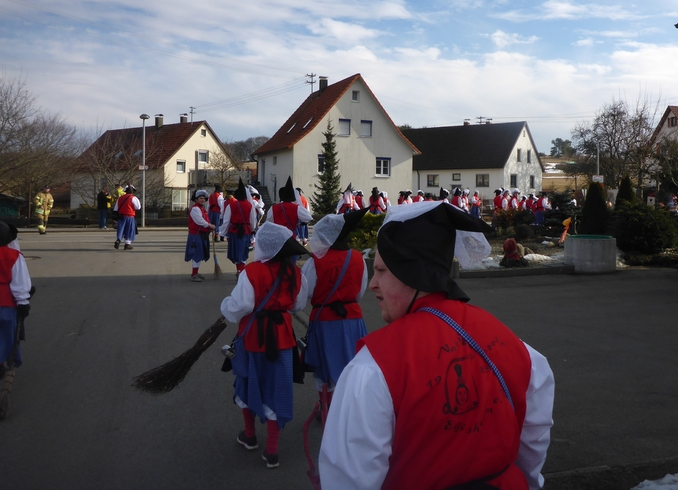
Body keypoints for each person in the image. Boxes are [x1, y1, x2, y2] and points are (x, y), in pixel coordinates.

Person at [319, 202, 554, 489]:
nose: (373, 284)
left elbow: (348, 478)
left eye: (381, 270)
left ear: (411, 273)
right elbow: (533, 443)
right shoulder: (520, 349)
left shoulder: (374, 367)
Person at [220, 222, 309, 468]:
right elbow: (297, 306)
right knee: (277, 388)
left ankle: (250, 435)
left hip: (253, 336)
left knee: (247, 381)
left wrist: (225, 305)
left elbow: (241, 306)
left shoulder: (251, 272)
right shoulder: (296, 273)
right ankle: (272, 450)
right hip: (282, 337)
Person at [301, 210, 369, 413]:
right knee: (353, 364)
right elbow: (359, 292)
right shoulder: (358, 258)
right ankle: (350, 409)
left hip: (325, 320)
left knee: (324, 368)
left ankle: (327, 408)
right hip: (353, 319)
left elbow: (307, 291)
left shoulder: (314, 261)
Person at [0, 222, 32, 375]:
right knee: (6, 334)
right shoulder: (14, 256)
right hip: (6, 303)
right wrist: (23, 301)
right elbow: (19, 280)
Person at [220, 179, 258, 276]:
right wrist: (252, 229)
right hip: (245, 231)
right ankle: (241, 270)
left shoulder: (231, 205)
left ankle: (239, 270)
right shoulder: (249, 205)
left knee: (236, 250)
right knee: (244, 250)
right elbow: (253, 220)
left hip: (234, 231)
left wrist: (223, 233)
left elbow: (226, 220)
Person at [185, 190, 216, 282]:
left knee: (200, 253)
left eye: (204, 198)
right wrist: (209, 225)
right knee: (197, 254)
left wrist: (209, 226)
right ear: (196, 199)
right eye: (200, 198)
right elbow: (199, 221)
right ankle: (194, 274)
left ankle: (196, 272)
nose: (203, 200)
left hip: (201, 234)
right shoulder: (195, 209)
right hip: (196, 235)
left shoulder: (202, 209)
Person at [113, 185, 140, 250]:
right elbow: (138, 207)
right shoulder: (133, 198)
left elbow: (116, 208)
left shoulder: (120, 198)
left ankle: (118, 240)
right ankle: (127, 244)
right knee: (129, 229)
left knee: (121, 229)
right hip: (130, 216)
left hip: (121, 216)